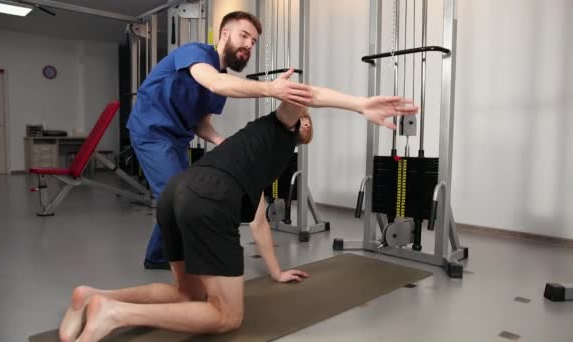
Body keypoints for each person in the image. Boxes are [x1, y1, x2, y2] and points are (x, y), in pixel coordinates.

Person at [59, 91, 418, 342]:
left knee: (187, 294)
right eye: (304, 120)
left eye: (308, 122)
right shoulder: (277, 127)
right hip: (206, 197)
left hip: (178, 191)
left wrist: (276, 272)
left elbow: (258, 219)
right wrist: (359, 105)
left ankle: (92, 295)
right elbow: (301, 98)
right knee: (227, 317)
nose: (306, 123)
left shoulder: (263, 155)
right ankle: (113, 314)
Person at [127, 11, 314, 270]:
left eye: (253, 41)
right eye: (244, 35)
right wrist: (270, 88)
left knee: (180, 196)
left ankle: (158, 256)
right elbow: (214, 83)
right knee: (179, 197)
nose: (249, 44)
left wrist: (220, 140)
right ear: (225, 33)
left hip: (178, 139)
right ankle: (179, 259)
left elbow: (200, 123)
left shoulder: (224, 77)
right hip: (151, 131)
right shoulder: (195, 53)